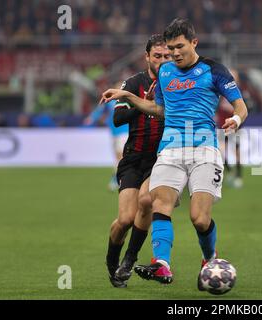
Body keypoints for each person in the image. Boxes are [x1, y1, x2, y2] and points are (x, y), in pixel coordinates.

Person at [100, 18, 249, 287]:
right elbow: (160, 110)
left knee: (199, 219)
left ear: (194, 43)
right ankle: (162, 264)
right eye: (171, 48)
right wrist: (129, 97)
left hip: (204, 149)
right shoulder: (166, 73)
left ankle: (209, 258)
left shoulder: (214, 70)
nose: (175, 53)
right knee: (159, 204)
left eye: (179, 46)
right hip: (170, 149)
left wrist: (235, 121)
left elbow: (241, 107)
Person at [105, 34, 171, 288]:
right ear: (147, 57)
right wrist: (143, 103)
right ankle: (112, 262)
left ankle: (129, 260)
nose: (163, 61)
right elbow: (118, 119)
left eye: (166, 56)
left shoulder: (176, 83)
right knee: (124, 220)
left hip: (161, 159)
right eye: (157, 56)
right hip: (133, 158)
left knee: (146, 201)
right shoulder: (133, 83)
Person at [84, 92, 128, 192]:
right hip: (114, 133)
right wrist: (92, 118)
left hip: (124, 132)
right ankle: (118, 177)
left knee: (120, 156)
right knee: (117, 157)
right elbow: (100, 110)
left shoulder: (127, 99)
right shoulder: (111, 101)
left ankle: (117, 179)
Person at [216, 68, 243, 188]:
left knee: (237, 152)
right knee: (221, 151)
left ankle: (238, 176)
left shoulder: (239, 93)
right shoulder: (220, 91)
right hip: (222, 126)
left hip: (235, 127)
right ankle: (229, 171)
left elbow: (244, 109)